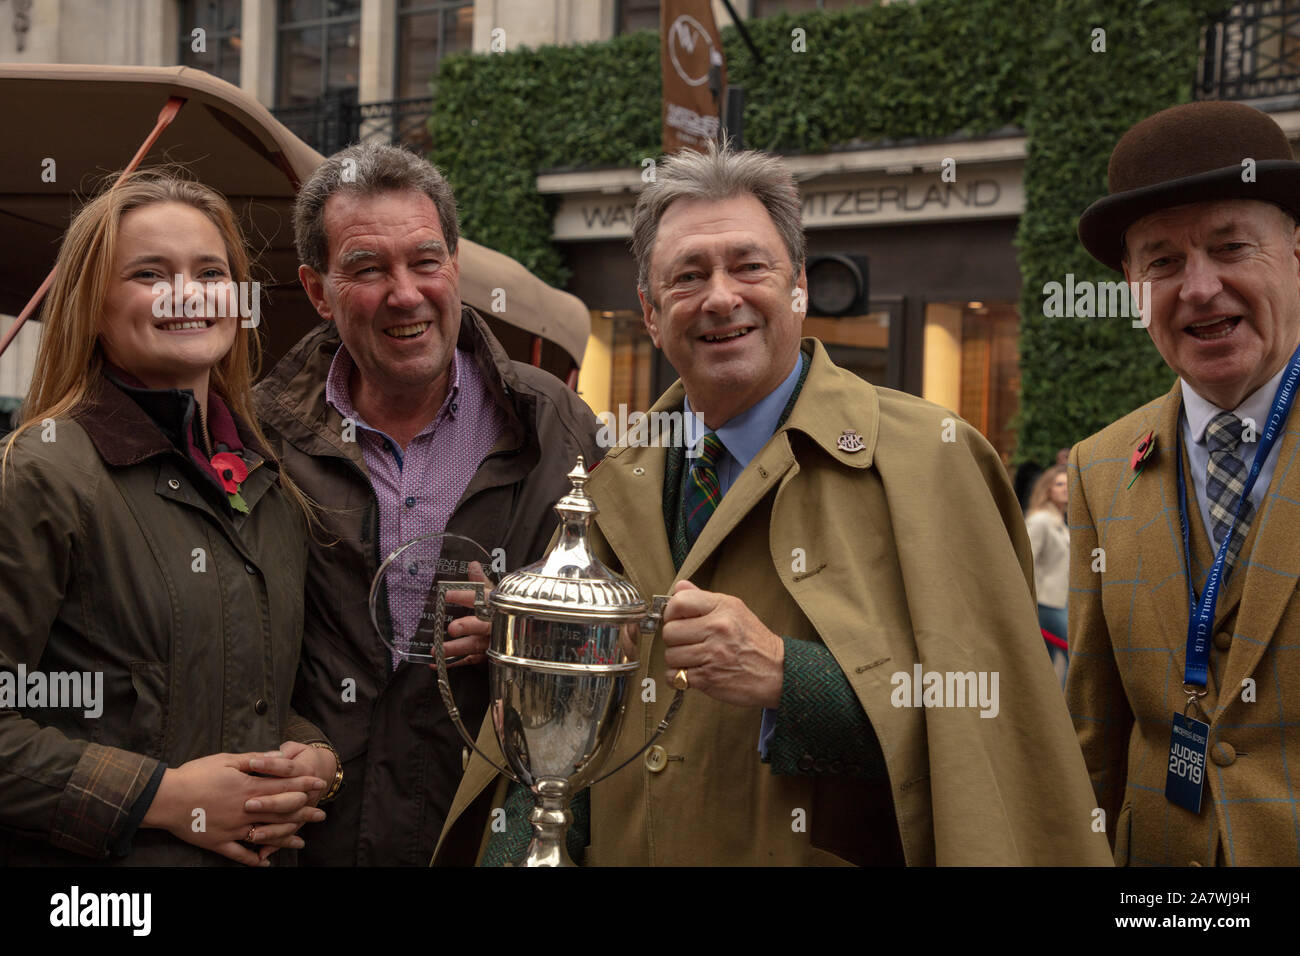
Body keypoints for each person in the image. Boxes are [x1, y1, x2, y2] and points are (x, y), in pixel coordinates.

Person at [433, 142, 1113, 866]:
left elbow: (993, 733)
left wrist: (792, 678)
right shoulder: (607, 484)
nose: (721, 297)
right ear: (652, 314)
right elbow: (555, 751)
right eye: (688, 276)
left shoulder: (932, 460)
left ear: (799, 288)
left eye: (749, 266)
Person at [254, 143, 602, 866]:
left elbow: (614, 623)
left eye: (424, 260)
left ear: (454, 266)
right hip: (304, 834)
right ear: (318, 291)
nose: (404, 293)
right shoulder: (259, 432)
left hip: (481, 831)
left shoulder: (554, 424)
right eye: (367, 268)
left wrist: (519, 625)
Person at [0, 169, 339, 865]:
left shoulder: (271, 485)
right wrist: (163, 795)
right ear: (91, 306)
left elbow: (251, 693)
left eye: (210, 272)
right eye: (150, 274)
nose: (187, 294)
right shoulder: (41, 472)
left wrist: (312, 757)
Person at [1070, 100, 1300, 865]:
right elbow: (1096, 736)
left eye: (1230, 247)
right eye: (1162, 262)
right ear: (1134, 287)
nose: (1198, 289)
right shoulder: (1100, 467)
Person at [1025, 464, 1070, 684]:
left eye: (1068, 483)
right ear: (1048, 489)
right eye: (1059, 484)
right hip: (1047, 601)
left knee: (1045, 662)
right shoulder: (1040, 520)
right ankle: (1069, 714)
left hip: (1061, 599)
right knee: (1076, 655)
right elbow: (1026, 559)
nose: (1065, 488)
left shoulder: (1060, 519)